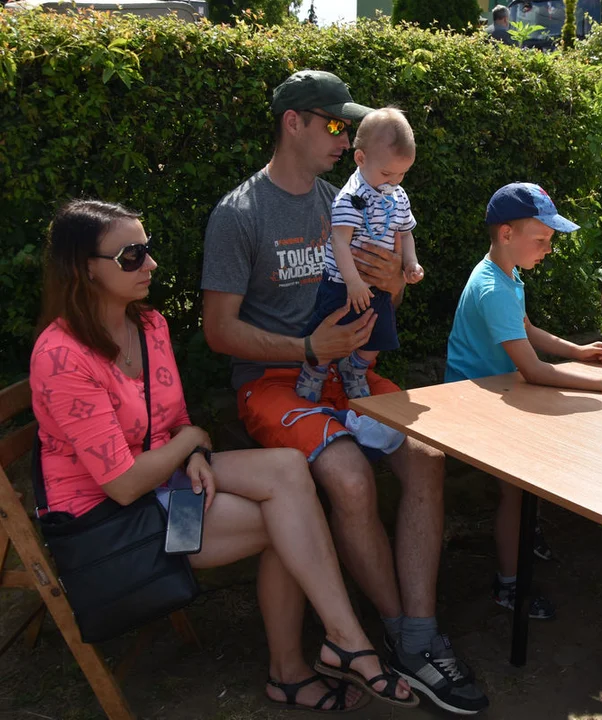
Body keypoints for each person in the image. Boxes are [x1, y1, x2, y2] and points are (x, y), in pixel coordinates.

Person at [32, 200, 418, 713]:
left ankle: (330, 649)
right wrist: (189, 443)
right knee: (289, 519)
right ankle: (318, 656)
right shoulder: (61, 356)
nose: (150, 265)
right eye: (131, 256)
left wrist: (190, 449)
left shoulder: (148, 326)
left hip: (163, 480)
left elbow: (170, 422)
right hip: (109, 519)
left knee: (288, 472)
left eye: (146, 250)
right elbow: (121, 484)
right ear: (84, 269)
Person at [201, 70, 488, 714]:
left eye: (348, 126)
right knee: (351, 477)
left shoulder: (354, 198)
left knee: (428, 457)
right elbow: (219, 332)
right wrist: (308, 349)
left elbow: (384, 297)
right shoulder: (238, 214)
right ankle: (394, 637)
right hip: (278, 382)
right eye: (333, 124)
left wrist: (397, 278)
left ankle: (418, 632)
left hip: (347, 370)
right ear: (292, 123)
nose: (344, 136)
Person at [445, 182, 602, 618]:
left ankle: (525, 535)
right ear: (506, 234)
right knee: (516, 491)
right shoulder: (495, 288)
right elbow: (534, 370)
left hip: (501, 389)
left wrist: (577, 352)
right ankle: (508, 586)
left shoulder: (505, 273)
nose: (547, 249)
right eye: (540, 240)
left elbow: (527, 330)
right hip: (473, 405)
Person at [296, 107, 424, 402]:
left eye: (402, 174)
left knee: (378, 333)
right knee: (329, 327)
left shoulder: (397, 195)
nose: (394, 182)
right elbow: (339, 242)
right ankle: (314, 371)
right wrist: (353, 282)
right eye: (387, 173)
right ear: (361, 158)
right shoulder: (350, 198)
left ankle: (355, 368)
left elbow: (405, 233)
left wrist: (410, 262)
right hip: (342, 284)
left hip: (377, 286)